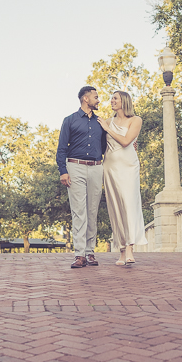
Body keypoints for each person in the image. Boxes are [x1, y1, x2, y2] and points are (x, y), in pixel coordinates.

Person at [56, 86, 106, 269]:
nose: (98, 100)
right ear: (86, 99)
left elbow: (105, 146)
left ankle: (90, 252)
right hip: (74, 167)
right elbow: (61, 148)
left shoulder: (101, 122)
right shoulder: (69, 120)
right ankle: (79, 254)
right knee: (79, 211)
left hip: (96, 167)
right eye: (96, 97)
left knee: (92, 211)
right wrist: (63, 171)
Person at [98, 90, 147, 265]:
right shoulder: (107, 121)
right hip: (110, 166)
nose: (112, 101)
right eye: (111, 98)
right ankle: (120, 250)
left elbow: (126, 141)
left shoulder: (136, 120)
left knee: (129, 204)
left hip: (128, 166)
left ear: (124, 101)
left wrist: (107, 129)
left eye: (115, 98)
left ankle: (130, 248)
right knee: (115, 207)